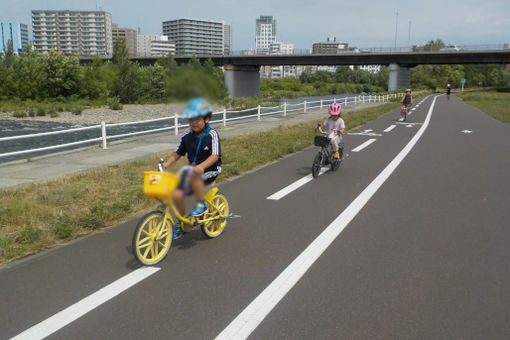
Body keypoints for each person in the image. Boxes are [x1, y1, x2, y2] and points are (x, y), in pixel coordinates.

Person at [162, 98, 222, 239]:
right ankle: (181, 222)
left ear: (206, 119)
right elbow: (177, 153)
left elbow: (215, 156)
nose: (193, 123)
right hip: (193, 173)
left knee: (194, 175)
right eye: (191, 120)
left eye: (197, 119)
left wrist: (202, 166)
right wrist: (167, 164)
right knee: (176, 195)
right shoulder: (186, 136)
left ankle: (202, 205)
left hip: (210, 170)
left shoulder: (212, 135)